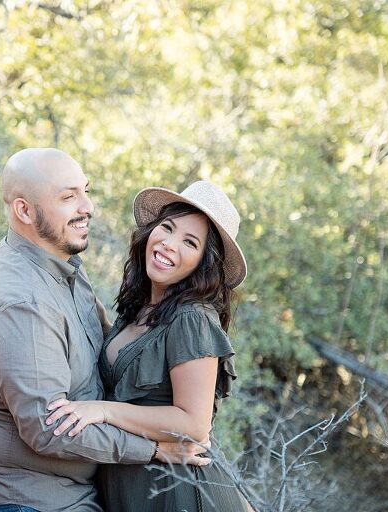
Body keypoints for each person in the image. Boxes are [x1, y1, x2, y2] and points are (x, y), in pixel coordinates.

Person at [0, 148, 209, 512]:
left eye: (86, 191)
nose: (88, 207)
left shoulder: (63, 266)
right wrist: (153, 449)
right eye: (69, 197)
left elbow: (108, 351)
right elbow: (48, 430)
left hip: (73, 491)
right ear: (24, 211)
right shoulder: (22, 303)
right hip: (24, 499)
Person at [46, 180, 253, 511]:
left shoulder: (192, 318)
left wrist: (103, 410)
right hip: (132, 487)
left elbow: (194, 424)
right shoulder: (141, 306)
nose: (169, 244)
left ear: (204, 262)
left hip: (178, 491)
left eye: (189, 242)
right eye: (167, 228)